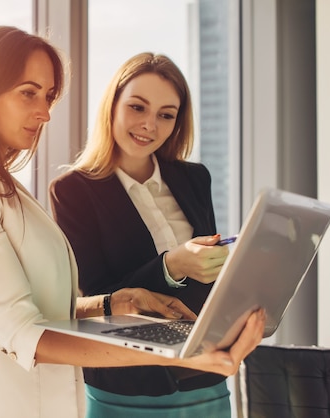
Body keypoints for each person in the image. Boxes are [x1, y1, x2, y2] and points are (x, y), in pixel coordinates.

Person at [0, 27, 265, 418]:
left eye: (48, 97)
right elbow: (26, 333)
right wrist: (182, 352)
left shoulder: (5, 188)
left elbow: (46, 309)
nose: (44, 112)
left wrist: (119, 302)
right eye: (29, 92)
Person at [49, 52, 236, 417]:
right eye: (138, 107)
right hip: (128, 386)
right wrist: (172, 265)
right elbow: (99, 295)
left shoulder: (195, 178)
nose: (150, 125)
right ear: (113, 105)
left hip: (203, 376)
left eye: (166, 115)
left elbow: (206, 284)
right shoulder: (73, 190)